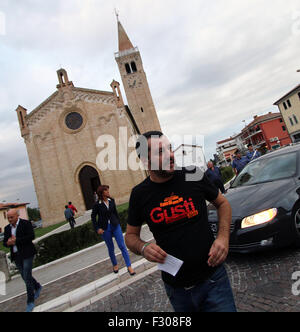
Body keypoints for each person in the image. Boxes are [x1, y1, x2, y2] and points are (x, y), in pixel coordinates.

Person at [125, 131, 236, 312]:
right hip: (177, 290)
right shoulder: (139, 194)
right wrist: (143, 248)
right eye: (160, 152)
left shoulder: (193, 174)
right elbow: (130, 236)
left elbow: (222, 203)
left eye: (169, 148)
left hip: (214, 280)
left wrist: (223, 237)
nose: (170, 155)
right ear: (145, 161)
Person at [3, 209, 42, 312]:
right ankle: (37, 286)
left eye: (11, 217)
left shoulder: (26, 223)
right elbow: (5, 243)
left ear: (17, 216)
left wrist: (17, 240)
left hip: (27, 253)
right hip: (16, 256)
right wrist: (8, 243)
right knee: (25, 276)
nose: (10, 219)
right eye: (8, 218)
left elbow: (31, 236)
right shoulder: (7, 228)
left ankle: (30, 301)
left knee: (27, 276)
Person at [91, 185, 136, 276]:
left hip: (115, 226)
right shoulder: (97, 204)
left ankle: (129, 266)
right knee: (111, 248)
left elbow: (115, 213)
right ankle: (115, 265)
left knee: (122, 246)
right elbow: (93, 217)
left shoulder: (112, 201)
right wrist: (97, 228)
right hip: (105, 228)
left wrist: (118, 222)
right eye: (106, 191)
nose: (108, 192)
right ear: (102, 193)